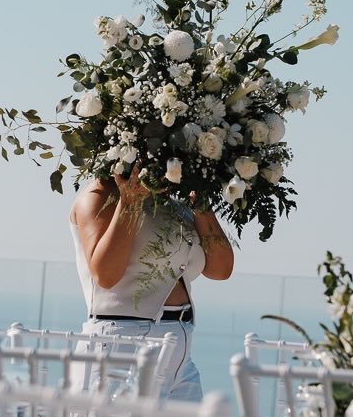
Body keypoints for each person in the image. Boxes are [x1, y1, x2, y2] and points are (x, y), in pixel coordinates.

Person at [70, 167, 234, 400]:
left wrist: (202, 202)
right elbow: (105, 275)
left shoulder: (178, 198)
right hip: (123, 347)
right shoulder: (98, 194)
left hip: (180, 352)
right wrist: (130, 201)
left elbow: (220, 270)